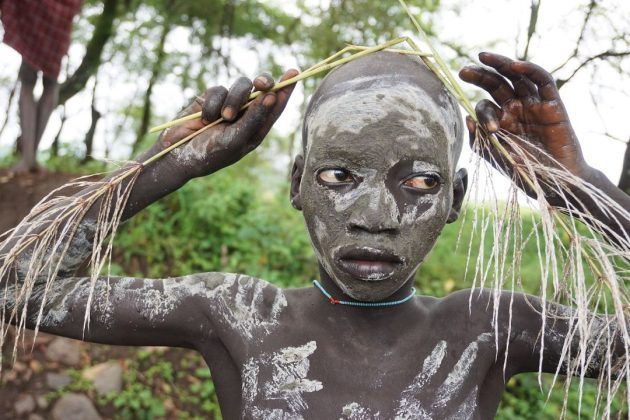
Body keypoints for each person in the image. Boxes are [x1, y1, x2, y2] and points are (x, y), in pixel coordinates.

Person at [1, 51, 629, 419]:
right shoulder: (239, 317)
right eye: (338, 174)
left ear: (455, 200)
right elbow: (14, 286)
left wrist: (585, 188)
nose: (374, 216)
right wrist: (170, 166)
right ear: (298, 183)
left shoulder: (488, 331)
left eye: (418, 183)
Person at [0, 0, 83, 172]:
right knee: (44, 81)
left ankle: (28, 158)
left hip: (38, 12)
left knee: (36, 81)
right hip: (50, 15)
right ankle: (30, 157)